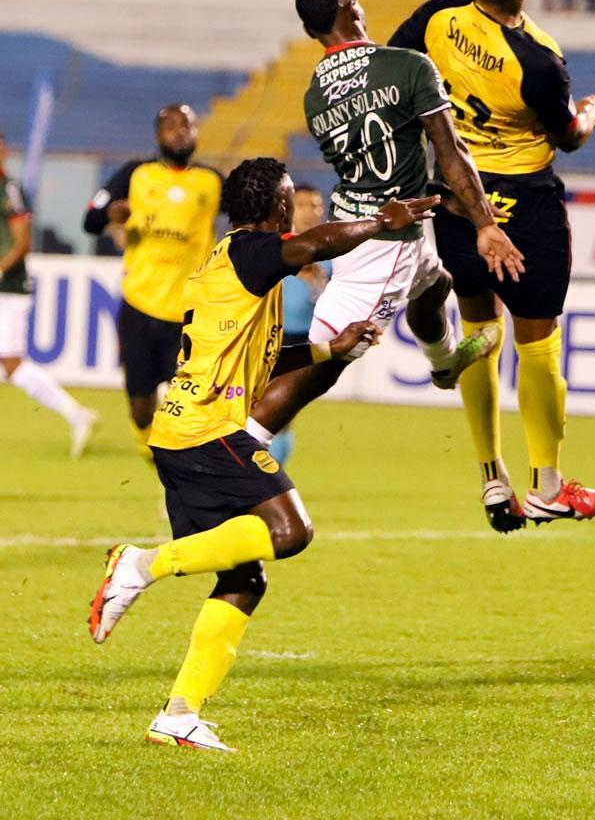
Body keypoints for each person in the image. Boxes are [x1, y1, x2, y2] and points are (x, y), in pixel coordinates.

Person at [88, 158, 431, 751]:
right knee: (291, 530)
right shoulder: (250, 251)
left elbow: (264, 361)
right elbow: (315, 245)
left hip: (184, 434)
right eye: (290, 198)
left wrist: (330, 350)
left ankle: (179, 714)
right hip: (206, 431)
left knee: (245, 579)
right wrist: (382, 221)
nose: (295, 207)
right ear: (278, 205)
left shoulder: (237, 270)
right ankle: (140, 564)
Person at [389, 0, 595, 533]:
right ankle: (547, 486)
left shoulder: (439, 17)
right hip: (524, 204)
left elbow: (394, 67)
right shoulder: (539, 60)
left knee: (479, 330)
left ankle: (492, 473)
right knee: (537, 341)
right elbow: (568, 137)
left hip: (457, 195)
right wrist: (591, 114)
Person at [294, 0, 524, 400]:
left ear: (310, 31)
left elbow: (375, 162)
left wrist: (441, 194)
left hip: (354, 223)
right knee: (320, 364)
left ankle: (444, 364)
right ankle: (244, 427)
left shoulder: (315, 96)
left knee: (435, 287)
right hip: (386, 239)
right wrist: (485, 224)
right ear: (354, 8)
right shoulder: (407, 65)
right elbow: (451, 151)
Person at [83, 106, 222, 455]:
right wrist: (110, 213)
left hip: (190, 313)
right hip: (140, 308)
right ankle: (153, 453)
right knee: (141, 410)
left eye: (187, 125)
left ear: (197, 133)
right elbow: (91, 219)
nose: (180, 131)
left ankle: (180, 467)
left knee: (187, 404)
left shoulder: (212, 181)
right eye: (171, 125)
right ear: (158, 134)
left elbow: (251, 212)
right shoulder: (135, 175)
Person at [1, 131, 96, 455]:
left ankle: (76, 414)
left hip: (8, 290)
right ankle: (76, 414)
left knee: (12, 365)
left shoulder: (9, 189)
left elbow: (22, 242)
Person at [271, 184, 331, 468]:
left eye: (315, 205)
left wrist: (320, 283)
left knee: (282, 416)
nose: (309, 211)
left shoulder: (331, 254)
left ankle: (270, 475)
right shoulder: (273, 246)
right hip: (266, 338)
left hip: (303, 343)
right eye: (302, 204)